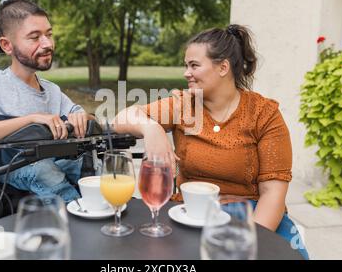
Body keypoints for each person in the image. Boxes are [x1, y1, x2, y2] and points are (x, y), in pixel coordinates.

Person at [112, 25, 309, 259]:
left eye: (194, 65)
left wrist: (246, 245)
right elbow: (120, 119)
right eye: (186, 65)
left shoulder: (263, 114)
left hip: (250, 219)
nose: (186, 72)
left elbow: (272, 195)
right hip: (188, 215)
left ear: (223, 67)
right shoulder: (182, 105)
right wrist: (151, 128)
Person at [0, 0, 94, 203]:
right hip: (7, 169)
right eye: (35, 37)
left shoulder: (52, 90)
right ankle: (78, 220)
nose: (47, 44)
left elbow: (85, 116)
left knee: (91, 164)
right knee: (44, 171)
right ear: (7, 45)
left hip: (51, 162)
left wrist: (82, 117)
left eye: (49, 34)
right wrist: (32, 119)